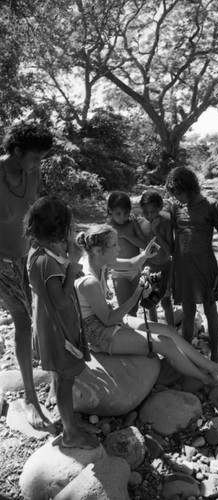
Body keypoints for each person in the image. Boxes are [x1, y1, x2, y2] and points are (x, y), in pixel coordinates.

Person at [74, 224, 218, 385]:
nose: (118, 248)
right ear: (98, 250)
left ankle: (214, 369)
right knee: (165, 343)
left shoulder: (98, 259)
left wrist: (145, 255)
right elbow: (109, 320)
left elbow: (132, 263)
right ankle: (206, 380)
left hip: (105, 318)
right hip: (96, 332)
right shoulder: (89, 281)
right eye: (114, 245)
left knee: (168, 331)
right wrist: (138, 292)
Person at [24, 196, 98, 449]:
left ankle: (68, 421)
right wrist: (72, 269)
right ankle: (70, 435)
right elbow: (60, 299)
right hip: (58, 330)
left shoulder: (38, 249)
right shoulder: (46, 263)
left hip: (50, 324)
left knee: (60, 375)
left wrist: (69, 248)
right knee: (65, 380)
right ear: (57, 228)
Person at [0, 120, 54, 427]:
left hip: (23, 256)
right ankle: (30, 398)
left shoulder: (32, 173)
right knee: (22, 320)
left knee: (30, 319)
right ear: (16, 151)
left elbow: (37, 211)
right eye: (34, 158)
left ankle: (31, 387)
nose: (38, 165)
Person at [165, 166, 218, 362]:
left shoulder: (212, 206)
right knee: (188, 312)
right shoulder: (177, 208)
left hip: (205, 267)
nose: (176, 197)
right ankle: (186, 354)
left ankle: (215, 354)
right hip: (183, 268)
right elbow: (173, 239)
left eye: (178, 192)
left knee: (210, 310)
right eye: (173, 194)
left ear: (189, 187)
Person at [107, 191, 146, 316]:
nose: (122, 217)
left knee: (134, 307)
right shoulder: (107, 228)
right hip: (119, 273)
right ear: (110, 211)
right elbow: (103, 254)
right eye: (118, 214)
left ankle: (133, 333)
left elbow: (144, 244)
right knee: (125, 308)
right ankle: (128, 332)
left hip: (136, 270)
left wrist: (127, 236)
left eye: (126, 213)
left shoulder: (132, 224)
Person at [139, 189, 175, 326]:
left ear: (160, 208)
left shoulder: (166, 221)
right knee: (150, 302)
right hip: (148, 268)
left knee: (166, 302)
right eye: (146, 212)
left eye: (153, 212)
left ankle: (172, 332)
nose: (149, 216)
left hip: (164, 267)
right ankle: (153, 331)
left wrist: (156, 231)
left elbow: (170, 251)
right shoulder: (141, 222)